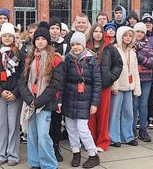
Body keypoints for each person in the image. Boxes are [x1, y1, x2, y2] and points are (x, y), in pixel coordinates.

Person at [19, 21, 64, 169]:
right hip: (30, 102)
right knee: (32, 136)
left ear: (47, 41)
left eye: (43, 39)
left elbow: (55, 84)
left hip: (44, 104)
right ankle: (35, 163)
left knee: (43, 136)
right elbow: (22, 81)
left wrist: (39, 101)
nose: (40, 41)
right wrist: (30, 99)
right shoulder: (29, 59)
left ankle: (49, 164)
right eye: (37, 39)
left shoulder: (55, 59)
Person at [59, 31, 101, 168]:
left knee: (82, 128)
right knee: (71, 128)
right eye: (73, 44)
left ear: (83, 45)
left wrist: (94, 103)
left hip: (85, 100)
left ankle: (93, 154)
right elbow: (62, 82)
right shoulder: (68, 60)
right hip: (69, 99)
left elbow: (97, 83)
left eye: (78, 44)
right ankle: (75, 152)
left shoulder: (91, 60)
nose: (75, 47)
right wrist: (60, 101)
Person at [0, 22, 26, 166]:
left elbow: (23, 75)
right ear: (1, 37)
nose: (8, 38)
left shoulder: (20, 55)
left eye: (10, 36)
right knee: (0, 124)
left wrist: (15, 92)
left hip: (15, 95)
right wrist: (1, 91)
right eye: (5, 36)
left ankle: (13, 155)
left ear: (14, 38)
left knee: (13, 125)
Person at [87, 23, 123, 151]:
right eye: (95, 31)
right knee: (90, 117)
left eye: (100, 31)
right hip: (89, 87)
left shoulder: (110, 48)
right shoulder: (85, 47)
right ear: (92, 33)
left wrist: (110, 77)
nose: (97, 34)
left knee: (103, 115)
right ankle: (90, 142)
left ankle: (102, 142)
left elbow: (118, 64)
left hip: (104, 87)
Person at [109, 26, 140, 147]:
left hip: (129, 86)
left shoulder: (132, 52)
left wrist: (137, 87)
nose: (128, 38)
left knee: (129, 112)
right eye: (125, 35)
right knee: (115, 113)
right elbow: (112, 69)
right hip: (118, 86)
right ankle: (114, 137)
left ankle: (127, 136)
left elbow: (135, 71)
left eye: (130, 36)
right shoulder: (114, 50)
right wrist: (114, 86)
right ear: (120, 36)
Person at [49, 17, 70, 162]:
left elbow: (67, 65)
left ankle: (56, 146)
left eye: (57, 28)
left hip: (59, 85)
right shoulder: (43, 42)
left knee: (56, 118)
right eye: (52, 28)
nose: (55, 31)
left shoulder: (65, 46)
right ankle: (46, 145)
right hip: (45, 85)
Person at [133, 22, 153, 142]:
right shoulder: (130, 45)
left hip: (146, 80)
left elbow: (152, 63)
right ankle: (132, 129)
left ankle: (143, 129)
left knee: (143, 105)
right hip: (134, 80)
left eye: (142, 32)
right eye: (138, 31)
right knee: (134, 105)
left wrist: (140, 57)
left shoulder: (148, 46)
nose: (140, 34)